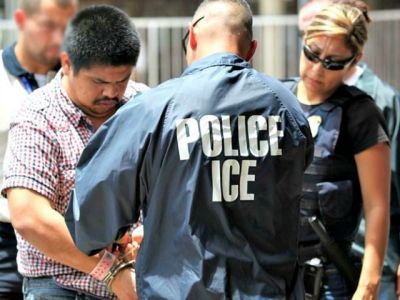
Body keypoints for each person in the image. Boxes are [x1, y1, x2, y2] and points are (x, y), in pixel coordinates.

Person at [66, 0, 314, 298]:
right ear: (251, 50)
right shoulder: (287, 108)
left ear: (192, 36)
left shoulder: (152, 110)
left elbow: (90, 220)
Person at [1, 5, 148, 300]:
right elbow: (31, 217)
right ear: (67, 63)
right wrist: (110, 271)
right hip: (60, 287)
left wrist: (148, 232)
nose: (111, 92)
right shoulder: (37, 115)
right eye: (99, 82)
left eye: (121, 80)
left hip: (138, 280)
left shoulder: (144, 105)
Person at [284, 3, 391, 299]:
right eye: (312, 53)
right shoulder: (276, 99)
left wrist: (368, 286)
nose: (317, 69)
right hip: (273, 273)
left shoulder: (361, 114)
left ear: (355, 60)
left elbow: (377, 207)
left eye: (332, 62)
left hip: (328, 280)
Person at [0, 0, 78, 299]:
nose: (58, 38)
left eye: (66, 27)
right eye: (48, 26)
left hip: (65, 239)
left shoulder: (81, 81)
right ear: (21, 20)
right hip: (7, 239)